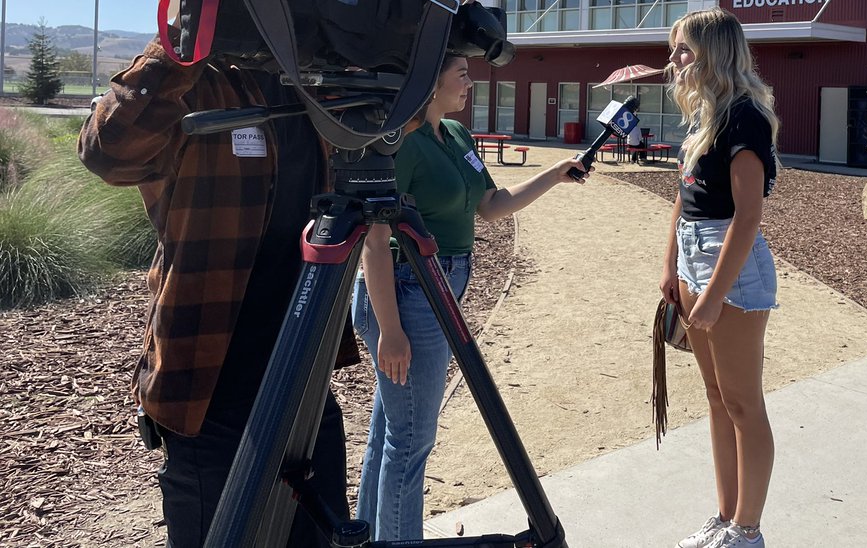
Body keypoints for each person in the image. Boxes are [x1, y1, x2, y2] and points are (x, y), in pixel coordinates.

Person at [77, 36, 356, 548]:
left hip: (303, 373)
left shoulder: (311, 84)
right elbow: (106, 153)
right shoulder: (197, 85)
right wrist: (188, 35)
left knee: (320, 536)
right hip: (210, 386)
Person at [353, 53, 588, 540]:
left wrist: (554, 174)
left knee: (392, 431)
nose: (470, 83)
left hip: (437, 290)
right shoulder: (401, 143)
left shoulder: (457, 135)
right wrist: (390, 330)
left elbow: (491, 205)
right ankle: (397, 540)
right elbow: (375, 241)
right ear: (429, 81)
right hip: (405, 293)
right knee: (411, 439)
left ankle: (375, 534)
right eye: (461, 74)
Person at [660, 8, 780, 548]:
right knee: (716, 397)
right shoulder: (706, 115)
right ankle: (725, 517)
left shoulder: (744, 117)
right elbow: (684, 199)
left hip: (730, 265)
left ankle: (747, 531)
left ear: (715, 53)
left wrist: (711, 296)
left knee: (743, 404)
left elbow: (748, 216)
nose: (674, 59)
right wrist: (670, 266)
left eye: (684, 48)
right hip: (694, 257)